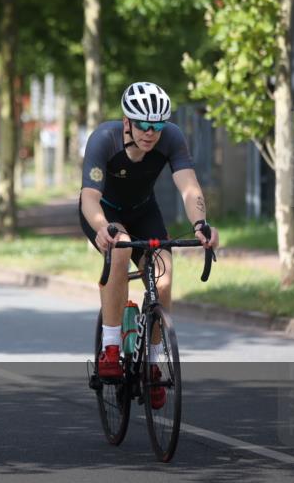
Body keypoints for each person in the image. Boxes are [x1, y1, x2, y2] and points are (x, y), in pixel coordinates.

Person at [79, 82, 220, 407]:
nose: (151, 132)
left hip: (144, 211)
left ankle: (153, 362)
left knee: (164, 276)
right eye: (143, 125)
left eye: (157, 125)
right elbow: (89, 198)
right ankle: (111, 346)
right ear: (127, 121)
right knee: (122, 245)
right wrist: (102, 228)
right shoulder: (104, 138)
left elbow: (189, 187)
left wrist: (200, 224)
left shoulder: (171, 137)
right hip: (105, 212)